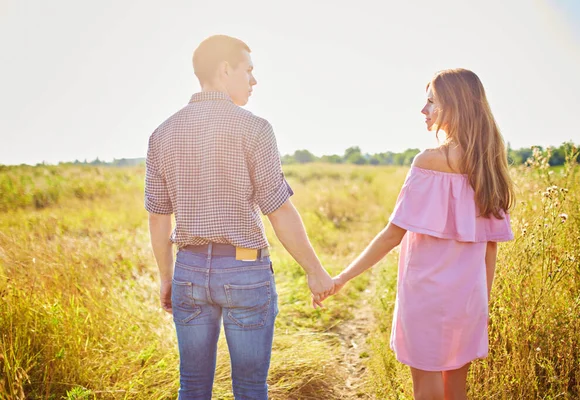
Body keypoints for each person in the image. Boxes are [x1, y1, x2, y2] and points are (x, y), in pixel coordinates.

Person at [144, 34, 334, 400]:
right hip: (245, 272)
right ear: (225, 69)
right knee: (249, 389)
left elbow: (158, 218)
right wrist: (315, 271)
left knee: (192, 388)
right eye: (249, 70)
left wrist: (167, 278)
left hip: (189, 272)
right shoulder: (255, 128)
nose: (254, 80)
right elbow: (278, 209)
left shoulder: (161, 134)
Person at [326, 68, 515, 400]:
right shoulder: (490, 167)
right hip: (469, 298)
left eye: (431, 102)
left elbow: (390, 235)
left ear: (454, 106)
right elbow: (490, 250)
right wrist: (481, 302)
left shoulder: (429, 162)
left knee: (426, 388)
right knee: (455, 388)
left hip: (426, 296)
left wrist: (343, 277)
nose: (423, 110)